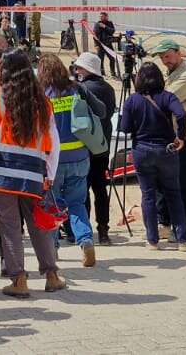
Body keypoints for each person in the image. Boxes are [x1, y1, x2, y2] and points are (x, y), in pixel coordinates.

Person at [0, 47, 63, 298]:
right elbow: (53, 143)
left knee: (10, 228)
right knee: (39, 226)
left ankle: (19, 280)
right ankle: (52, 275)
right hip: (34, 175)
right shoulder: (43, 102)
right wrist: (50, 174)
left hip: (3, 175)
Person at [39, 54, 104, 265]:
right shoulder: (77, 88)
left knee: (51, 206)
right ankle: (85, 241)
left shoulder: (42, 95)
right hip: (80, 157)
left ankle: (52, 249)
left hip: (53, 161)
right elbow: (101, 111)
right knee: (77, 203)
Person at [119, 62, 186, 250]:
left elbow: (125, 128)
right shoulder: (168, 97)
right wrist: (180, 136)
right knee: (174, 194)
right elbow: (181, 114)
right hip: (166, 150)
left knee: (148, 195)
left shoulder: (132, 100)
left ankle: (152, 240)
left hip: (142, 150)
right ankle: (182, 239)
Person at [147, 40, 186, 228]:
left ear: (179, 53)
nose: (164, 61)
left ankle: (180, 222)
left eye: (167, 56)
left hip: (182, 136)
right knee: (163, 180)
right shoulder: (172, 75)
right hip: (168, 136)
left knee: (180, 180)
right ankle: (166, 221)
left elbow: (163, 100)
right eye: (161, 58)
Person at [72, 52, 116, 244]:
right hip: (103, 145)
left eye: (79, 68)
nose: (77, 71)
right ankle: (104, 229)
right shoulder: (109, 88)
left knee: (83, 190)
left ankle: (85, 230)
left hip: (85, 146)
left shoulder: (83, 89)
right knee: (100, 189)